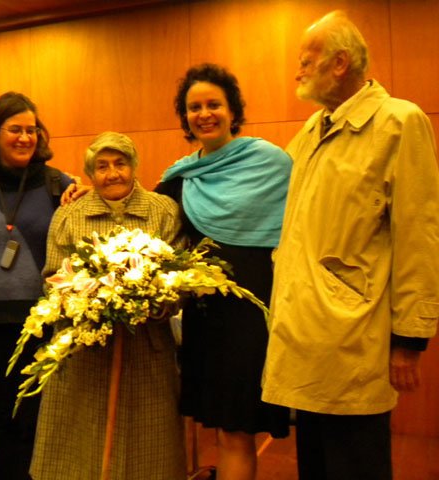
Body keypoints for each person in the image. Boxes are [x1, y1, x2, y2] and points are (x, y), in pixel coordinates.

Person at [261, 11, 439, 480]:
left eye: (306, 61)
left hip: (354, 337)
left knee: (356, 464)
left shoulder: (399, 122)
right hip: (303, 335)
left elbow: (419, 235)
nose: (297, 71)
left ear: (339, 63)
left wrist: (410, 339)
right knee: (316, 465)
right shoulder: (311, 130)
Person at [155, 63, 292, 480]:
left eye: (214, 104)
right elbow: (142, 213)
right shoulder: (181, 176)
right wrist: (81, 190)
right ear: (185, 118)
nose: (204, 114)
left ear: (233, 110)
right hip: (205, 319)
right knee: (221, 429)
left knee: (236, 432)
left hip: (251, 316)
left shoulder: (272, 163)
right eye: (194, 107)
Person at [30, 131, 186, 480]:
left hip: (146, 348)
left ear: (134, 166)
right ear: (90, 173)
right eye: (102, 166)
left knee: (150, 445)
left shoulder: (162, 210)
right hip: (85, 352)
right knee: (80, 446)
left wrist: (148, 300)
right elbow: (52, 277)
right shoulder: (69, 215)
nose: (112, 173)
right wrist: (88, 303)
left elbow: (178, 278)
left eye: (120, 164)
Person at [0, 91, 72, 479]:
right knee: (4, 410)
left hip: (44, 317)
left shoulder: (58, 183)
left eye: (31, 129)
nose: (25, 137)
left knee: (40, 411)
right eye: (15, 129)